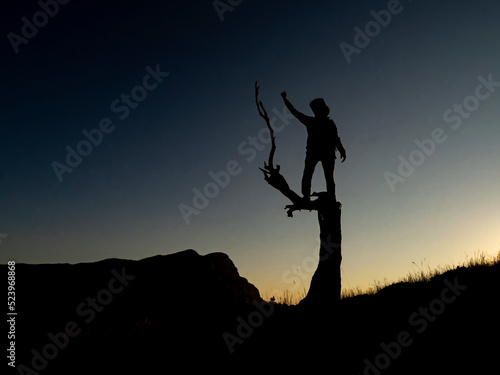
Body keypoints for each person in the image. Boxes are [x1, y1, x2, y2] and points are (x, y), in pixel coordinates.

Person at [281, 92, 346, 201]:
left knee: (325, 177)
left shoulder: (329, 123)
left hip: (326, 152)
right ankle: (307, 196)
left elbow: (335, 138)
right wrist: (285, 99)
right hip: (315, 152)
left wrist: (342, 150)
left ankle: (330, 197)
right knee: (309, 174)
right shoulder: (311, 121)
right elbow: (294, 112)